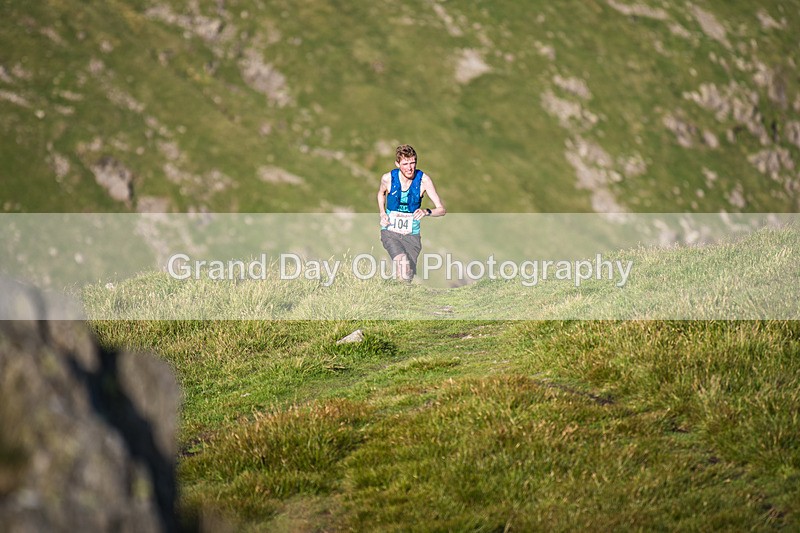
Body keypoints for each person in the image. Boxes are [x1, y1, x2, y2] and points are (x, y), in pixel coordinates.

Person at [377, 144, 446, 281]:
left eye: (413, 162)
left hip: (412, 235)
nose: (410, 168)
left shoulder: (424, 180)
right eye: (405, 163)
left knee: (407, 275)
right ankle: (395, 298)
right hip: (391, 231)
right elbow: (381, 194)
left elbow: (441, 210)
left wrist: (426, 211)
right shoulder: (388, 178)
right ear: (397, 164)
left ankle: (397, 297)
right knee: (402, 264)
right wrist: (382, 213)